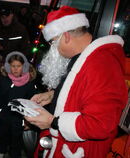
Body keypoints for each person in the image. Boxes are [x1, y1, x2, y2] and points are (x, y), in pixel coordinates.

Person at [25, 6, 128, 158]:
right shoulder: (83, 58)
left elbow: (100, 124)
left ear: (66, 36)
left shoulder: (102, 65)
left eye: (53, 42)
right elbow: (83, 93)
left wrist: (53, 122)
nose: (53, 48)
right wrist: (53, 95)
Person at [0, 51, 38, 158]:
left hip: (19, 118)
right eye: (13, 66)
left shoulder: (29, 83)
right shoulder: (4, 81)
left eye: (18, 66)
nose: (15, 69)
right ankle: (0, 152)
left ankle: (15, 155)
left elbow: (32, 103)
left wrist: (29, 121)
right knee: (1, 136)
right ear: (8, 66)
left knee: (16, 141)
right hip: (4, 117)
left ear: (24, 67)